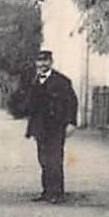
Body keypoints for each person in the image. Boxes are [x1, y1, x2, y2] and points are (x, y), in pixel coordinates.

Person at [25, 49, 77, 202]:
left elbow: (72, 103)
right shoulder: (34, 82)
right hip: (40, 128)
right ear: (36, 63)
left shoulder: (62, 82)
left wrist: (72, 123)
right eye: (39, 61)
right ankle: (47, 191)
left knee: (55, 158)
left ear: (51, 62)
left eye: (45, 61)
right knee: (43, 159)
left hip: (56, 127)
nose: (42, 64)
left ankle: (57, 192)